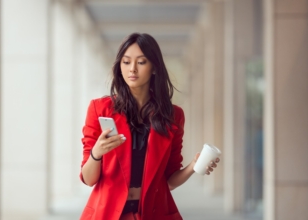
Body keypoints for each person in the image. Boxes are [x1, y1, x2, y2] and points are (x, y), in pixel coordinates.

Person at [79, 33, 220, 220]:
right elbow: (88, 179)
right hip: (109, 213)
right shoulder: (100, 109)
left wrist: (193, 166)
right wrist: (96, 153)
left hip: (154, 212)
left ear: (154, 67)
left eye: (142, 62)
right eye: (126, 62)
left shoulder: (173, 115)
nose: (133, 69)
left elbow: (169, 181)